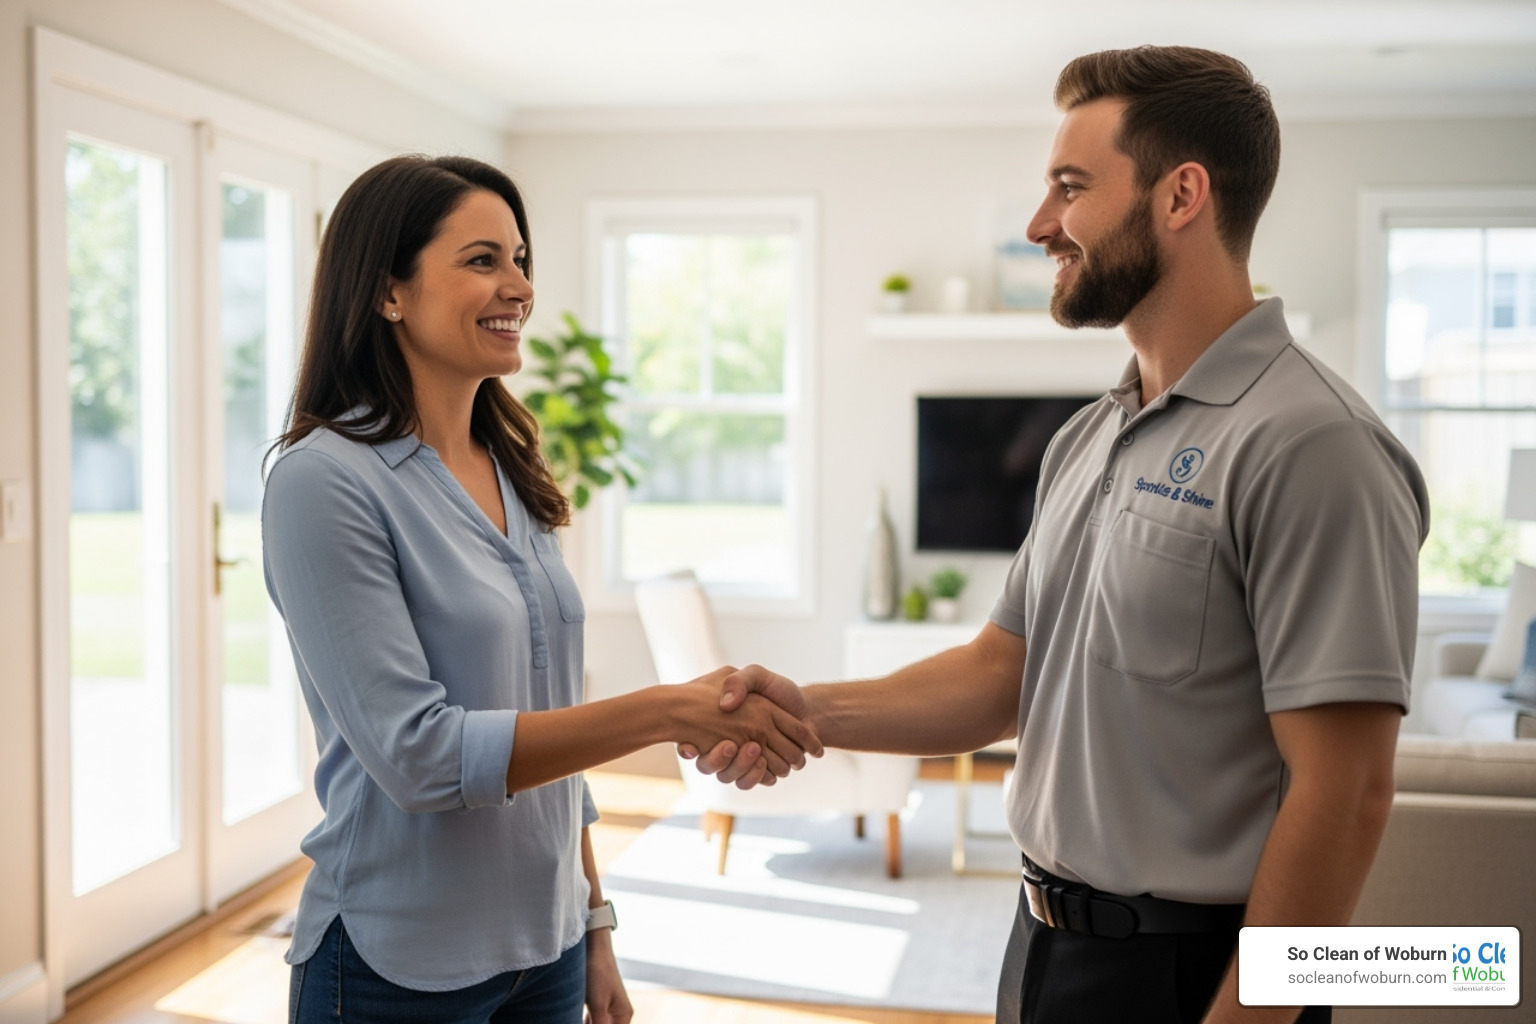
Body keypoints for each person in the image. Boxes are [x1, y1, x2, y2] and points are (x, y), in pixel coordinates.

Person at [687, 46, 1428, 1024]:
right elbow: (1003, 674)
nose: (1041, 226)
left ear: (1181, 195)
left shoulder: (1312, 444)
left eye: (1069, 188)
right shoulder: (1088, 434)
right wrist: (803, 711)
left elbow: (1347, 793)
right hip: (1043, 948)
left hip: (1196, 977)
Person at [262, 154, 821, 1024]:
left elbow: (547, 721)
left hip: (549, 948)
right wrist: (671, 711)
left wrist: (593, 921)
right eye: (483, 260)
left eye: (521, 259)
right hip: (397, 965)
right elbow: (420, 756)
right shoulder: (324, 482)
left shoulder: (513, 470)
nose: (518, 285)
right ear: (387, 293)